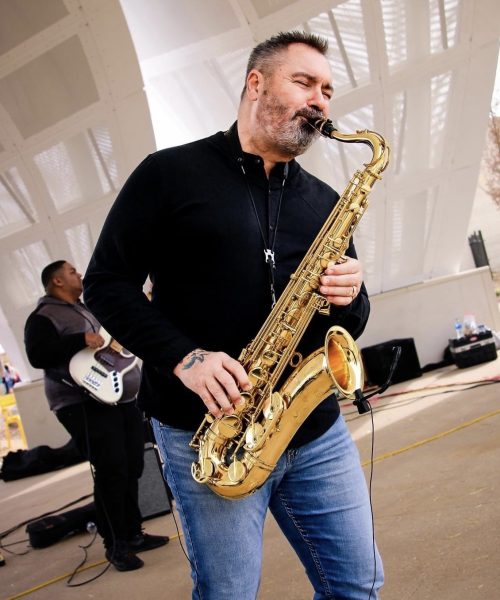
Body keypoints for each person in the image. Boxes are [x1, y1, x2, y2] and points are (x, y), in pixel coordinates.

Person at [84, 31, 383, 599]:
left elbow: (349, 323)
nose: (321, 99)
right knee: (229, 595)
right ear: (255, 83)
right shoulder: (168, 174)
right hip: (205, 431)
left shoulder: (324, 200)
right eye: (304, 82)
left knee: (358, 586)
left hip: (312, 429)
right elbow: (105, 283)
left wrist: (353, 294)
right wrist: (184, 358)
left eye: (328, 89)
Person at [24, 260, 168, 571]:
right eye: (72, 271)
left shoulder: (86, 308)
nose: (79, 273)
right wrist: (80, 340)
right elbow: (37, 355)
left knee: (133, 464)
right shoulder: (43, 316)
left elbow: (105, 345)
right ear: (57, 281)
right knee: (111, 469)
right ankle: (114, 544)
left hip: (119, 398)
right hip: (80, 402)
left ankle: (133, 533)